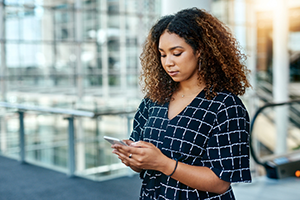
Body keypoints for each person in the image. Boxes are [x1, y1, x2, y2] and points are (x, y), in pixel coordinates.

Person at [112, 7, 252, 200]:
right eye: (162, 54)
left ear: (201, 51)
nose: (168, 62)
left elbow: (220, 182)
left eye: (176, 53)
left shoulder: (225, 106)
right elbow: (141, 164)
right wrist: (132, 157)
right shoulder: (154, 100)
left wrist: (163, 163)